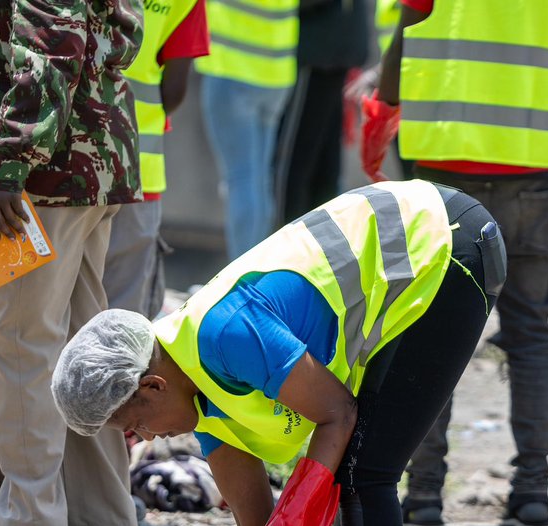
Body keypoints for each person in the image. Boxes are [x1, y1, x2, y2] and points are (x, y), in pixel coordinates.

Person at [53, 180, 505, 526]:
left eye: (133, 425)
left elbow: (336, 412)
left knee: (367, 473)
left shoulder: (226, 336)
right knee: (349, 471)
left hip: (444, 247)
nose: (141, 439)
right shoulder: (200, 401)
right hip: (419, 253)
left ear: (152, 385)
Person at [362, 0, 548, 526]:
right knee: (530, 335)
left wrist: (379, 123)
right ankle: (533, 494)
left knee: (424, 330)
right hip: (529, 175)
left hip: (441, 173)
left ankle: (423, 495)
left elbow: (403, 40)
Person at [0, 0, 145, 526]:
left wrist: (8, 165)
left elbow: (51, 49)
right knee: (80, 346)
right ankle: (100, 524)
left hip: (42, 178)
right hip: (84, 164)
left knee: (18, 341)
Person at [102, 0, 209, 320]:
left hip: (71, 165)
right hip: (139, 168)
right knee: (122, 313)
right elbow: (175, 89)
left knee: (60, 301)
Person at [196, 0, 300, 261]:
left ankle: (240, 276)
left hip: (233, 67)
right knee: (259, 180)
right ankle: (255, 270)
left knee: (241, 180)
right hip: (276, 71)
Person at [275, 0, 369, 223]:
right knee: (321, 171)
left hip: (317, 52)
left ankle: (283, 249)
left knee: (291, 172)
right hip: (331, 49)